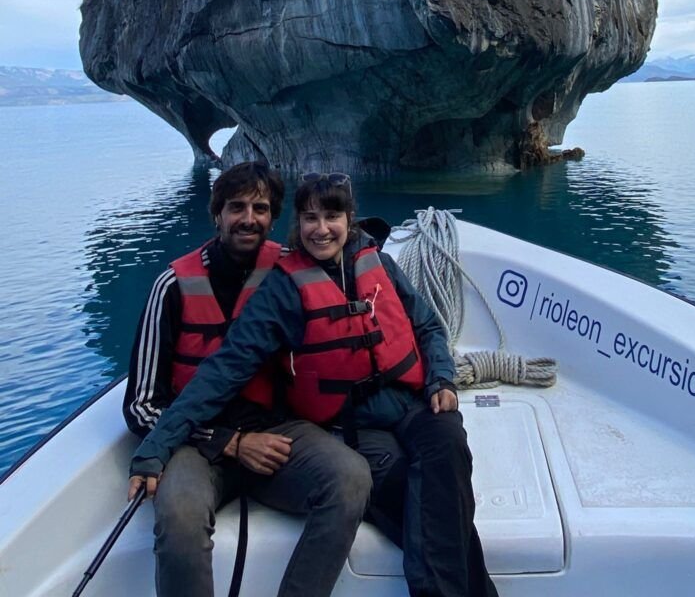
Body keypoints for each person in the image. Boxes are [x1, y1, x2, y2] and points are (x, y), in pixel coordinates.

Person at [130, 171, 498, 597]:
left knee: (444, 454)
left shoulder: (369, 261)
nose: (321, 229)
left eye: (260, 209)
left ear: (349, 219)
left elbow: (427, 326)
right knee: (401, 486)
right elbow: (221, 370)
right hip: (240, 434)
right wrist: (165, 447)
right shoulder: (256, 286)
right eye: (310, 218)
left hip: (345, 417)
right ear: (216, 213)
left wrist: (441, 379)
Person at [125, 162, 374, 597]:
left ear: (274, 217)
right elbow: (141, 404)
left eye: (260, 208)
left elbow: (354, 280)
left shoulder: (291, 273)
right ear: (216, 214)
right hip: (194, 443)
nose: (248, 219)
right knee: (179, 518)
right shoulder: (172, 286)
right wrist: (229, 442)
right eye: (236, 207)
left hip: (276, 431)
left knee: (350, 479)